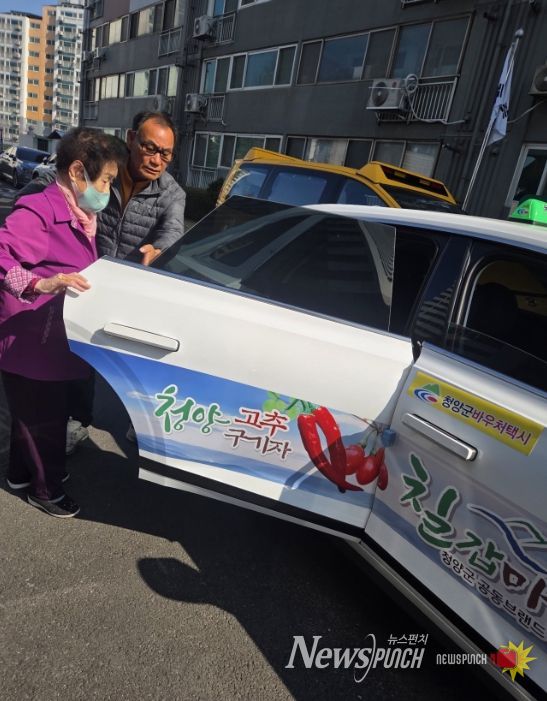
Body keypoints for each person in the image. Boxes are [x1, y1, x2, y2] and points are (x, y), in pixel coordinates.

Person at [20, 111, 186, 451]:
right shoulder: (106, 167)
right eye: (150, 148)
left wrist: (161, 250)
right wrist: (32, 198)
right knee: (80, 352)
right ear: (131, 139)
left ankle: (141, 422)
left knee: (140, 360)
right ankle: (77, 421)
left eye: (165, 154)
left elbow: (173, 231)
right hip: (87, 279)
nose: (156, 160)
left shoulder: (172, 193)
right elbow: (61, 179)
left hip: (133, 286)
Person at [0, 127, 128, 518]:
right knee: (46, 421)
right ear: (76, 171)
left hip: (49, 338)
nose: (107, 189)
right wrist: (40, 283)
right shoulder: (40, 210)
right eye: (105, 180)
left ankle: (20, 475)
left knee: (31, 416)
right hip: (30, 341)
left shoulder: (79, 214)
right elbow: (2, 257)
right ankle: (47, 490)